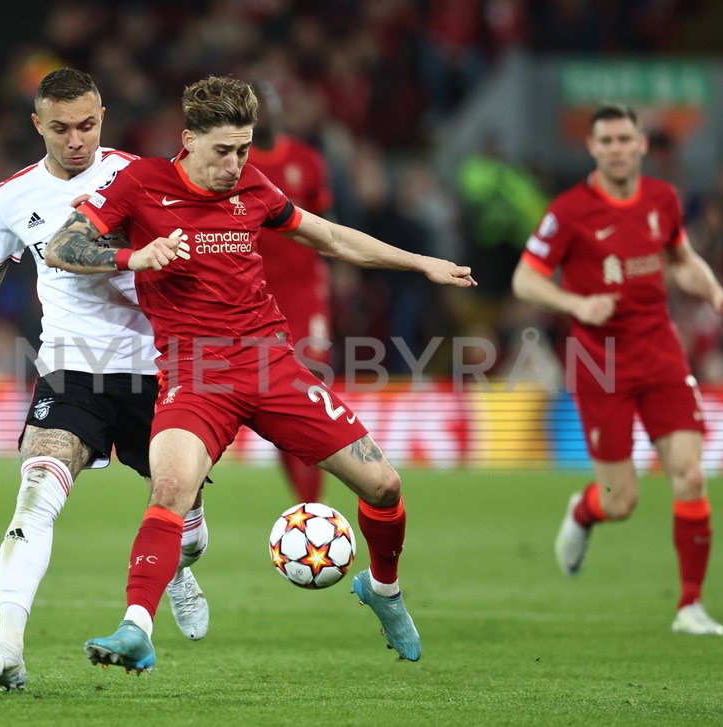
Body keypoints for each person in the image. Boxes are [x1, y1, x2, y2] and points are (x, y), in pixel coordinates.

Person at [44, 75, 476, 673]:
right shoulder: (142, 183)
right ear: (188, 139)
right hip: (195, 376)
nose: (236, 163)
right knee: (168, 490)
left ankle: (383, 589)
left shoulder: (251, 183)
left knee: (385, 487)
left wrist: (421, 262)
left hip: (273, 366)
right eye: (223, 150)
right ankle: (135, 627)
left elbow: (326, 236)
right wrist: (132, 256)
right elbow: (61, 246)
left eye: (244, 148)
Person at [0, 69, 212, 691]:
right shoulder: (10, 197)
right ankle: (7, 647)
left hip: (155, 370)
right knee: (36, 492)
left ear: (103, 118)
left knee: (189, 522)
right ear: (38, 126)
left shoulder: (140, 175)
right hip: (69, 371)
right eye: (60, 128)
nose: (76, 140)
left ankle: (179, 567)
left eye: (87, 125)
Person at [511, 102, 723, 636]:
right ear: (592, 147)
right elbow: (525, 280)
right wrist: (578, 305)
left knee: (690, 474)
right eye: (605, 140)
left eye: (625, 139)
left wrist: (714, 289)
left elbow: (681, 261)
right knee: (621, 500)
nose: (616, 148)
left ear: (641, 145)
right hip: (599, 364)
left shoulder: (661, 200)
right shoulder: (569, 210)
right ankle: (585, 512)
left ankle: (689, 607)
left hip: (660, 352)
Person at [247, 80, 333, 504]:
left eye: (270, 104)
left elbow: (324, 221)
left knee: (310, 390)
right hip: (258, 300)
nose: (265, 113)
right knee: (278, 404)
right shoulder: (235, 167)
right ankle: (306, 502)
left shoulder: (307, 160)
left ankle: (312, 506)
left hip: (306, 295)